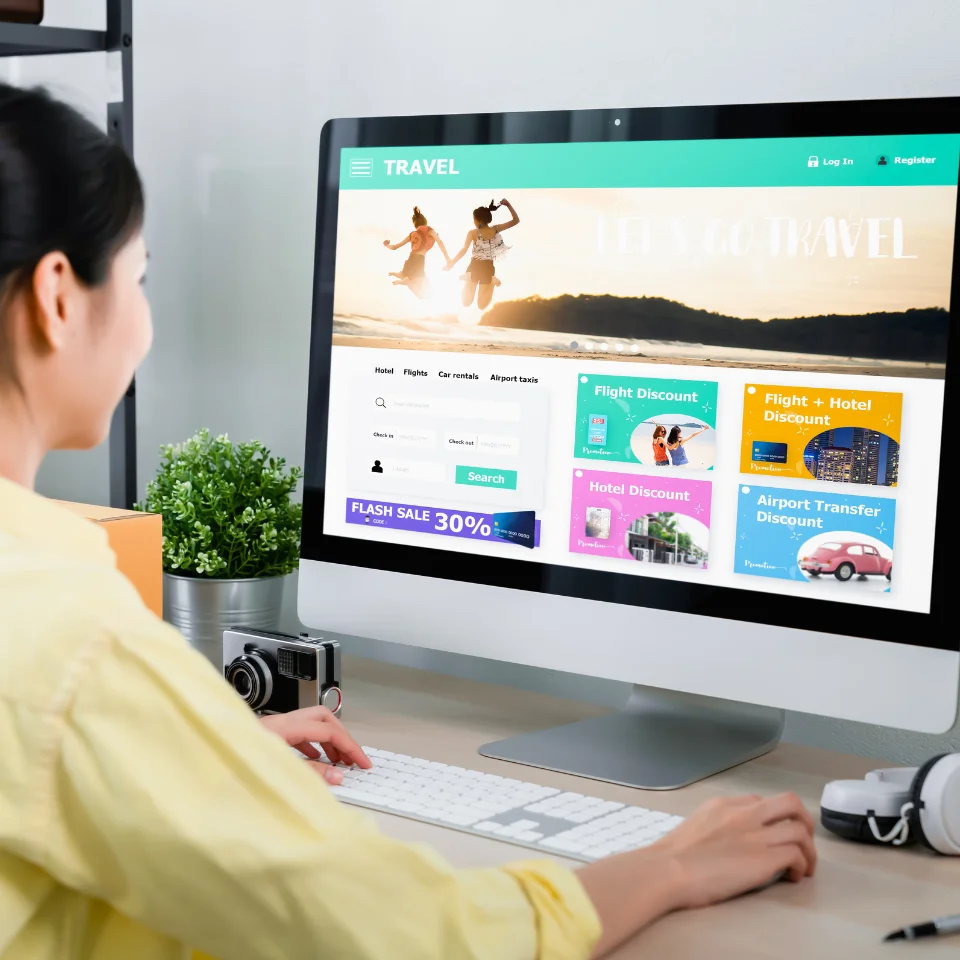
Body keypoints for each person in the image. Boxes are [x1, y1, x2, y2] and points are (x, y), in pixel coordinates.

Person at [0, 83, 816, 960]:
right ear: (58, 296)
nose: (145, 323)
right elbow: (414, 939)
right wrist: (666, 867)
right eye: (138, 277)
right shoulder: (77, 641)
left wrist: (186, 757)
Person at [445, 197, 519, 309]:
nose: (473, 221)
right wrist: (508, 205)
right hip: (488, 268)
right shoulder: (495, 229)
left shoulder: (473, 233)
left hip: (474, 266)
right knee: (482, 305)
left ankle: (469, 277)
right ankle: (492, 282)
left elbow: (464, 250)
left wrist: (452, 262)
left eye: (474, 219)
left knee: (466, 302)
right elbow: (515, 221)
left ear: (477, 220)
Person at [383, 206, 450, 298]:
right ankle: (406, 281)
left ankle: (403, 275)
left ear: (415, 224)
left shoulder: (412, 234)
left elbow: (394, 247)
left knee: (421, 289)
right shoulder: (429, 230)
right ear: (425, 222)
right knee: (426, 293)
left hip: (409, 261)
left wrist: (386, 245)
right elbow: (439, 241)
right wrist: (447, 258)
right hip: (419, 261)